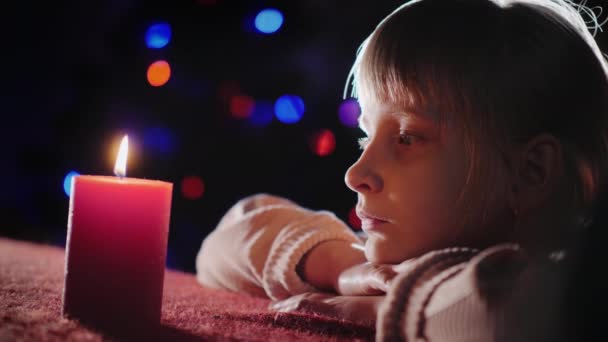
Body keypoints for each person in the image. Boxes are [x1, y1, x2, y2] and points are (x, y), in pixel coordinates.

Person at [196, 0, 608, 340]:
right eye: (365, 136)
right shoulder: (399, 259)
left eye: (407, 138)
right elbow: (225, 242)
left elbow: (507, 314)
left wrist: (401, 301)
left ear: (530, 172)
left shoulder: (575, 294)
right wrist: (343, 267)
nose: (355, 173)